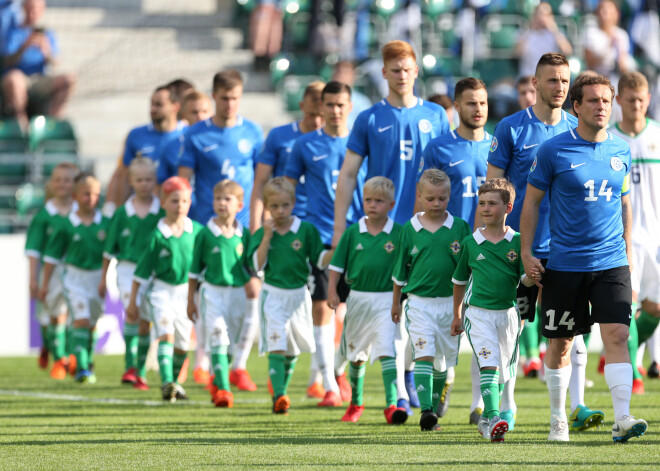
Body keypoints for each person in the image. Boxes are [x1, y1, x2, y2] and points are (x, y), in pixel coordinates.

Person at [521, 73, 648, 443]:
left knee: (618, 335)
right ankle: (559, 418)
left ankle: (622, 418)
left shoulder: (621, 150)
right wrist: (528, 251)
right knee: (560, 345)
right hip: (565, 265)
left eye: (606, 101)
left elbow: (625, 204)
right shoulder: (553, 150)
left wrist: (626, 250)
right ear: (576, 106)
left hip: (611, 263)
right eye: (593, 101)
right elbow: (531, 203)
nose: (601, 107)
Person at [486, 53, 601, 433]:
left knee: (573, 330)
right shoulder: (511, 128)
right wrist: (496, 241)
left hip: (569, 247)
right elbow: (494, 188)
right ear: (535, 84)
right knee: (511, 328)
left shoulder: (579, 128)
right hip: (520, 246)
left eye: (565, 81)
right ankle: (507, 405)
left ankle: (578, 405)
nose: (559, 87)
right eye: (551, 80)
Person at [179, 70, 264, 392]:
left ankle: (237, 365)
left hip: (243, 229)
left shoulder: (253, 132)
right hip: (206, 226)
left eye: (235, 97)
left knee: (251, 292)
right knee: (206, 298)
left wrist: (259, 219)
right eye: (224, 97)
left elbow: (261, 180)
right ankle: (206, 363)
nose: (230, 103)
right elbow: (184, 180)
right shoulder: (196, 134)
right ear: (214, 96)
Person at [284, 80, 362, 407]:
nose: (334, 111)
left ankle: (338, 371)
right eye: (329, 104)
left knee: (354, 312)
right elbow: (287, 187)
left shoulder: (362, 143)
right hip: (321, 237)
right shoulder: (304, 145)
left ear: (349, 106)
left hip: (359, 237)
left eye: (340, 105)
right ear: (321, 107)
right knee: (322, 305)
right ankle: (329, 385)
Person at [421, 78, 491, 420]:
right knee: (445, 330)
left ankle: (477, 405)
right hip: (447, 253)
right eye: (470, 103)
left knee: (483, 332)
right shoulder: (438, 147)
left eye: (482, 103)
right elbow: (426, 197)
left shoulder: (497, 146)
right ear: (457, 107)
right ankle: (444, 381)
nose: (478, 109)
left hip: (486, 252)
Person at [333, 39, 450, 240]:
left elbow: (448, 171)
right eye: (395, 70)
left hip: (427, 226)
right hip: (379, 225)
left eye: (406, 70)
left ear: (416, 70)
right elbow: (348, 174)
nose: (402, 76)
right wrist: (338, 228)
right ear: (384, 73)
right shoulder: (369, 118)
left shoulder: (436, 115)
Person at [451, 178, 537, 443]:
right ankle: (495, 415)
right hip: (477, 314)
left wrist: (532, 276)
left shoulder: (518, 242)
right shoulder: (470, 243)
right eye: (482, 203)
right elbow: (459, 281)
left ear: (508, 207)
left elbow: (524, 280)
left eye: (492, 203)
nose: (485, 208)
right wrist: (457, 314)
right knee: (488, 365)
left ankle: (488, 422)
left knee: (501, 371)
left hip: (508, 315)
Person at [392, 169, 471, 432]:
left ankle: (435, 401)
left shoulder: (459, 227)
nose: (436, 204)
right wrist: (395, 303)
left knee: (442, 363)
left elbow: (468, 268)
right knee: (423, 355)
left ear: (449, 196)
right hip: (419, 304)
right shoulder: (409, 229)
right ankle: (427, 412)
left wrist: (462, 308)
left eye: (442, 198)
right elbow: (400, 272)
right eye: (430, 199)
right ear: (419, 196)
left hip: (451, 303)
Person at [248, 177, 334, 414]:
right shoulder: (265, 231)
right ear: (266, 206)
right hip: (273, 295)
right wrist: (266, 237)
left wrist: (336, 251)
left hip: (299, 296)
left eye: (285, 205)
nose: (280, 211)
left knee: (293, 349)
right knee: (277, 345)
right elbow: (257, 265)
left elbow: (319, 259)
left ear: (294, 203)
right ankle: (279, 395)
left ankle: (281, 393)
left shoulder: (306, 230)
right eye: (274, 206)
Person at [328, 176, 406, 424]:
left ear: (391, 204)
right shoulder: (353, 232)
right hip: (358, 299)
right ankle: (356, 403)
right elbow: (336, 265)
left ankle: (391, 405)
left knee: (387, 351)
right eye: (368, 200)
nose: (373, 205)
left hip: (387, 299)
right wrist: (332, 290)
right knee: (357, 353)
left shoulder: (399, 233)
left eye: (379, 201)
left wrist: (400, 300)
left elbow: (405, 269)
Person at [127, 176, 201, 402]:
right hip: (161, 291)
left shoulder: (196, 231)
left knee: (182, 345)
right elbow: (141, 272)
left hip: (185, 293)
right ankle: (167, 382)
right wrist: (132, 302)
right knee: (165, 335)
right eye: (174, 201)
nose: (180, 206)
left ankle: (175, 385)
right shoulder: (157, 235)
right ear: (163, 203)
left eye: (184, 201)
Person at [610, 71, 660, 393]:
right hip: (623, 235)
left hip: (655, 233)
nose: (637, 105)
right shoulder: (611, 140)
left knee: (655, 307)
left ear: (649, 99)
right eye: (630, 100)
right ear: (619, 101)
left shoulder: (657, 134)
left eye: (642, 99)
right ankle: (634, 372)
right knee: (627, 305)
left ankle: (630, 354)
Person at [99, 157, 163, 389]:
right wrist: (103, 278)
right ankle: (130, 366)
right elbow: (109, 250)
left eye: (148, 179)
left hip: (154, 273)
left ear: (154, 181)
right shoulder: (122, 213)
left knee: (146, 322)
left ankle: (142, 370)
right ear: (131, 182)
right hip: (127, 269)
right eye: (139, 180)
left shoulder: (162, 211)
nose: (144, 184)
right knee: (132, 313)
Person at [188, 180, 252, 408]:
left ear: (240, 205)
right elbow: (194, 272)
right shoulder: (205, 234)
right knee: (218, 337)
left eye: (227, 199)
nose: (221, 203)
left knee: (231, 345)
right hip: (211, 292)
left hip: (237, 295)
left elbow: (250, 266)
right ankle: (224, 390)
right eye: (218, 198)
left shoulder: (243, 234)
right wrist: (190, 301)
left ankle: (218, 378)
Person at [40, 173, 109, 384]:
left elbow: (109, 255)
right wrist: (44, 284)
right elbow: (51, 257)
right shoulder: (65, 224)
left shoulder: (105, 223)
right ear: (76, 196)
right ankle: (81, 367)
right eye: (86, 194)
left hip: (97, 276)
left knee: (93, 323)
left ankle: (87, 359)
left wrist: (105, 279)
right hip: (73, 277)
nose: (92, 199)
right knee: (81, 318)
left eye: (96, 194)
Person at [249, 81, 325, 233]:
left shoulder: (335, 140)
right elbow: (260, 182)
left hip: (321, 220)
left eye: (321, 116)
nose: (316, 121)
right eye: (311, 115)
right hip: (283, 218)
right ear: (302, 106)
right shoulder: (279, 136)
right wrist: (255, 225)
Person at [25, 162, 78, 377]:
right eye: (58, 179)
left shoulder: (81, 212)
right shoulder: (43, 216)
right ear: (50, 183)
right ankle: (51, 348)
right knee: (51, 316)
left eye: (68, 180)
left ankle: (65, 359)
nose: (62, 184)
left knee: (72, 315)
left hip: (76, 269)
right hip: (51, 272)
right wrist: (33, 279)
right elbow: (34, 250)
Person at [105, 84, 185, 214]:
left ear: (175, 107)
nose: (153, 109)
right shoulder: (136, 135)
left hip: (177, 210)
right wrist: (119, 210)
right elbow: (124, 175)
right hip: (143, 211)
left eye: (159, 105)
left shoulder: (186, 135)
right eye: (152, 104)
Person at [1, 0, 75, 130]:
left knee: (69, 79)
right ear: (23, 9)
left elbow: (55, 62)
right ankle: (22, 125)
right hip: (18, 79)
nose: (33, 13)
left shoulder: (47, 34)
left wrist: (46, 51)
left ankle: (51, 124)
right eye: (30, 8)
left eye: (36, 9)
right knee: (14, 78)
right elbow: (6, 61)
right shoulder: (12, 32)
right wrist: (25, 46)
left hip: (39, 79)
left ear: (42, 10)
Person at [157, 89, 213, 186]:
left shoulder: (223, 142)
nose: (200, 117)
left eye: (204, 111)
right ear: (184, 116)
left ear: (212, 114)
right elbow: (161, 184)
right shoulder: (171, 147)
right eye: (194, 112)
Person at [515, 2, 573, 78]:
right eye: (540, 13)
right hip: (528, 77)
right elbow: (517, 53)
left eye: (546, 14)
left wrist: (554, 30)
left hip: (551, 77)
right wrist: (529, 28)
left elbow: (568, 51)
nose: (542, 17)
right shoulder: (524, 32)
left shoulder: (556, 33)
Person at [584, 0, 633, 83]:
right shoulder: (590, 33)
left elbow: (623, 66)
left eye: (608, 10)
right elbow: (590, 63)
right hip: (596, 80)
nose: (604, 13)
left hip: (616, 80)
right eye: (601, 9)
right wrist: (608, 46)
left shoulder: (622, 35)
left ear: (616, 13)